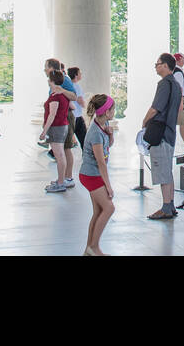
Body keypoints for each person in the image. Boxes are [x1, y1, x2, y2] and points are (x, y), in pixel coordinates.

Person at [142, 52, 183, 220]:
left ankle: (166, 206)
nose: (156, 66)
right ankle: (170, 204)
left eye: (158, 63)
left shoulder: (164, 84)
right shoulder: (176, 85)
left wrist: (144, 121)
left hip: (161, 132)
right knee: (167, 170)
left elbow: (155, 108)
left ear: (165, 65)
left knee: (163, 171)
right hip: (170, 131)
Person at [80, 94, 115, 255]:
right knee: (108, 208)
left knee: (99, 211)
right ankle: (94, 247)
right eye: (113, 109)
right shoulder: (95, 133)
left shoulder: (103, 124)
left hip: (93, 174)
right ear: (107, 112)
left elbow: (109, 145)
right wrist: (108, 186)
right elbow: (101, 162)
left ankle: (90, 248)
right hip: (91, 175)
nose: (114, 111)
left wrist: (110, 134)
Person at [40, 70, 73, 193]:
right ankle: (61, 179)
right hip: (62, 126)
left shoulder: (56, 96)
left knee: (59, 155)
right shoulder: (63, 95)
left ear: (51, 81)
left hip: (56, 127)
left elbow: (52, 115)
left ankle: (60, 182)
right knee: (60, 155)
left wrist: (44, 131)